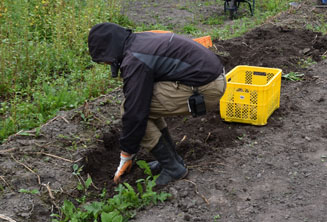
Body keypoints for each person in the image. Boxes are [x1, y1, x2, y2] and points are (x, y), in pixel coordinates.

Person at [87, 22, 226, 186]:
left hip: (206, 87)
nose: (107, 64)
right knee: (144, 104)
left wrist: (126, 154)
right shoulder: (138, 42)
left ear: (108, 51)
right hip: (209, 77)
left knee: (132, 109)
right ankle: (172, 161)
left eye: (105, 61)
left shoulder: (134, 60)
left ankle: (173, 168)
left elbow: (134, 112)